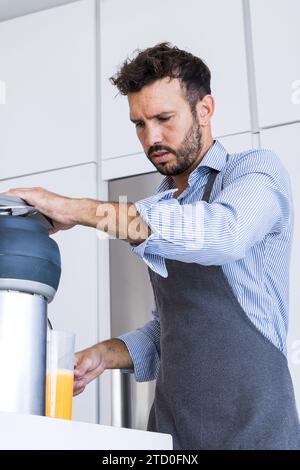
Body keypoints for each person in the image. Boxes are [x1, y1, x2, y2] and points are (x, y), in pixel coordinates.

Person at [5, 43, 300, 450]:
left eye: (164, 118)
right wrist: (103, 355)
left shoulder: (253, 172)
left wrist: (76, 209)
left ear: (205, 109)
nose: (152, 137)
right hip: (172, 433)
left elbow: (222, 234)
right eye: (139, 124)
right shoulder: (157, 209)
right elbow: (174, 328)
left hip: (256, 432)